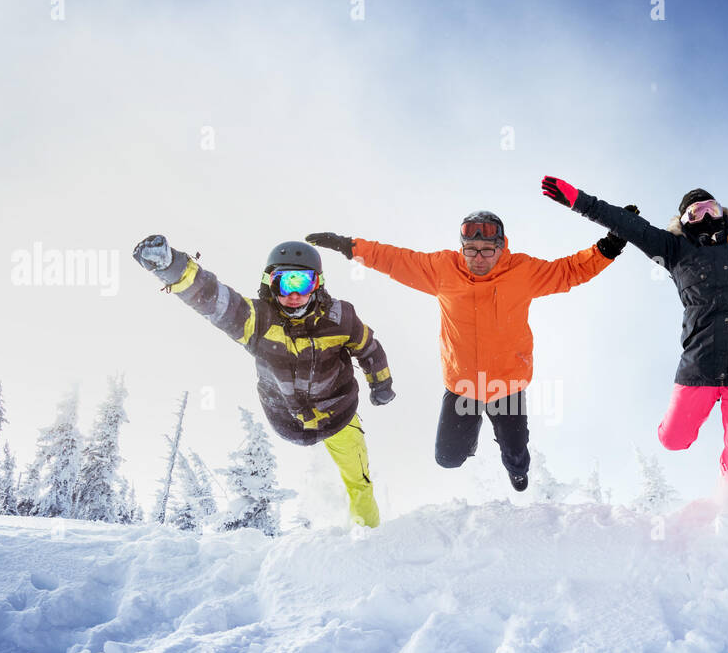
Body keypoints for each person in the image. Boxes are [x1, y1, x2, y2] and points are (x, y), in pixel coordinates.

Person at [305, 209, 634, 491]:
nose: (478, 258)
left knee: (517, 458)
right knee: (447, 459)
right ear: (461, 248)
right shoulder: (442, 269)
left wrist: (610, 245)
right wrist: (348, 246)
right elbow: (393, 259)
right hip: (462, 384)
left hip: (507, 385)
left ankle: (517, 472)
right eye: (470, 250)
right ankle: (472, 433)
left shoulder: (523, 272)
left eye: (487, 250)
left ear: (501, 247)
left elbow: (570, 271)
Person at [541, 176, 728, 482]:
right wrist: (579, 200)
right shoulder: (672, 249)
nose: (707, 216)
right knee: (672, 440)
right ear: (683, 222)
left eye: (712, 208)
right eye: (696, 213)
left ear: (724, 213)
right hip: (701, 360)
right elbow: (628, 225)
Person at [132, 235, 393, 528]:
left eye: (302, 283)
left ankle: (368, 536)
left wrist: (381, 383)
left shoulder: (341, 318)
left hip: (338, 415)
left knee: (359, 481)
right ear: (271, 283)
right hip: (288, 419)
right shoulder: (258, 321)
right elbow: (214, 299)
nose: (294, 295)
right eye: (284, 283)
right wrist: (173, 268)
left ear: (317, 284)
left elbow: (369, 347)